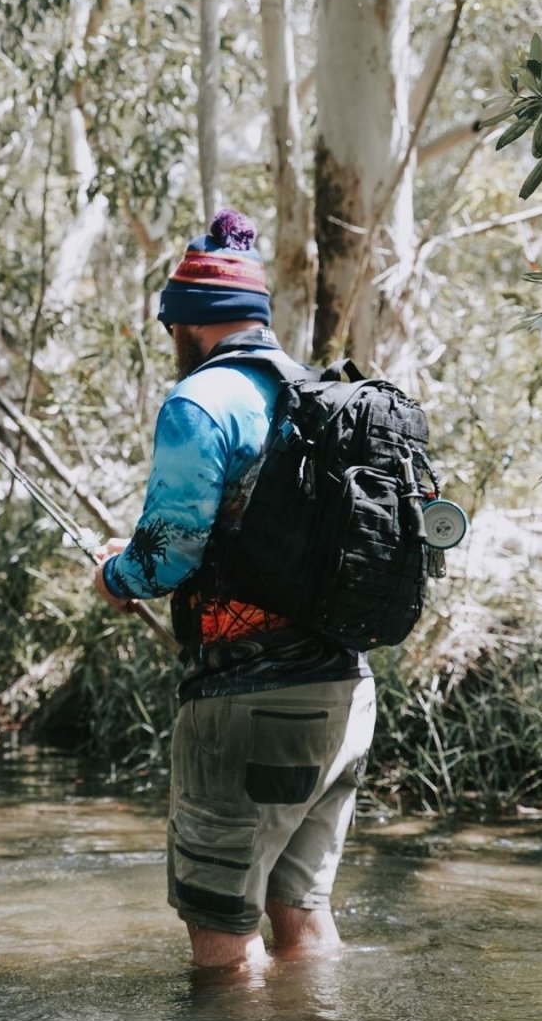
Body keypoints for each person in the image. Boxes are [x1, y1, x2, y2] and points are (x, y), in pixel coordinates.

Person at [92, 208, 375, 970]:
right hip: (346, 697)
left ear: (192, 324)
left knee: (223, 941)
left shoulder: (201, 403)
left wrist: (117, 572)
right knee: (305, 922)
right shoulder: (314, 394)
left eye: (171, 328)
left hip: (249, 710)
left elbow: (166, 559)